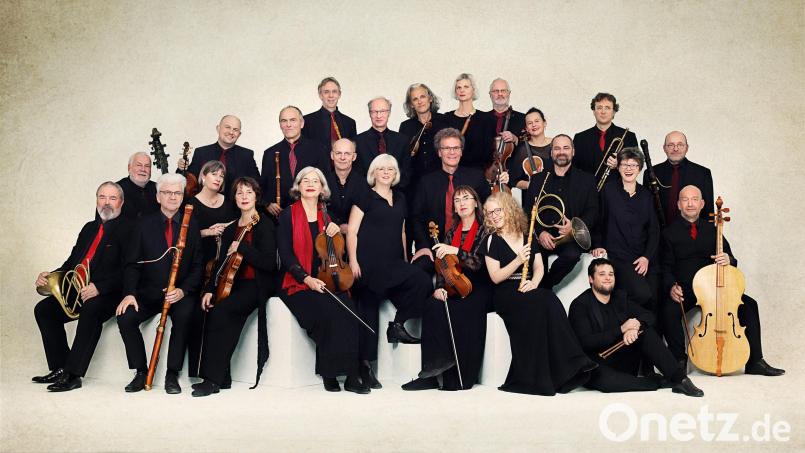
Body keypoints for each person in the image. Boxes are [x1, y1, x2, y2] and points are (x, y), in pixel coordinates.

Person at [660, 185, 784, 376]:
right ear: (678, 205)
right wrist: (671, 287)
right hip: (687, 289)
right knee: (668, 310)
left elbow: (731, 259)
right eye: (685, 199)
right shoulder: (669, 233)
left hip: (715, 287)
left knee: (750, 305)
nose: (690, 203)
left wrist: (729, 259)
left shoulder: (714, 230)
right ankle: (679, 359)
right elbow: (665, 267)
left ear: (702, 204)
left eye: (694, 199)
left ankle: (755, 361)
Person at [482, 191, 596, 395]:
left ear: (509, 209)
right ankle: (566, 365)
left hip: (528, 287)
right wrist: (517, 260)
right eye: (490, 213)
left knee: (547, 298)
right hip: (506, 293)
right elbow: (496, 277)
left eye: (498, 210)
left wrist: (534, 283)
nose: (494, 216)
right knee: (544, 300)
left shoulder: (527, 234)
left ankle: (568, 367)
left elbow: (539, 268)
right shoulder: (492, 240)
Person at [32, 182, 133, 392]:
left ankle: (73, 374)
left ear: (121, 203)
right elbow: (72, 263)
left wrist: (100, 288)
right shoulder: (89, 228)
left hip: (111, 293)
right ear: (96, 200)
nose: (106, 203)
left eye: (112, 198)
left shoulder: (129, 230)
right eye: (102, 197)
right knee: (44, 310)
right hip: (80, 289)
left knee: (92, 308)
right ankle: (60, 367)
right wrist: (50, 276)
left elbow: (130, 270)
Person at [278, 167, 369, 394]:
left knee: (349, 311)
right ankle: (329, 373)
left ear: (322, 188)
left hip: (328, 278)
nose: (310, 184)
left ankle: (351, 376)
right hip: (298, 282)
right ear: (298, 187)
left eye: (315, 181)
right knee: (327, 313)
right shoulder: (287, 214)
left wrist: (338, 230)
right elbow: (286, 254)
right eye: (305, 180)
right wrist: (306, 279)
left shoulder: (328, 216)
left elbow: (337, 251)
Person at [347, 154, 432, 388]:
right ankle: (365, 367)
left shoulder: (401, 198)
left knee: (422, 282)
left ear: (395, 174)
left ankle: (397, 324)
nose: (386, 172)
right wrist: (353, 261)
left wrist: (404, 260)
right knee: (368, 312)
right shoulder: (364, 196)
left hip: (393, 261)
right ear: (373, 173)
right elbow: (352, 231)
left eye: (390, 169)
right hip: (368, 263)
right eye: (381, 168)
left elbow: (403, 232)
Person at [116, 173, 202, 394]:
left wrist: (183, 291)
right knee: (126, 317)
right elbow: (132, 263)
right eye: (167, 192)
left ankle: (172, 374)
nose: (172, 197)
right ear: (158, 197)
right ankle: (141, 371)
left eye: (177, 193)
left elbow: (198, 266)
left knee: (184, 317)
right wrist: (129, 293)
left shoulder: (191, 225)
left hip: (179, 293)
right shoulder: (143, 224)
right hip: (149, 292)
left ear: (183, 196)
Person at [568, 258, 704, 397]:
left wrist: (635, 325)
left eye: (611, 274)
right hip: (597, 364)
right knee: (607, 382)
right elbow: (585, 342)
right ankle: (657, 382)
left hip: (623, 360)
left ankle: (680, 379)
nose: (608, 278)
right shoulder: (580, 305)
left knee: (645, 332)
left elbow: (648, 315)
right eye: (602, 274)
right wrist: (621, 329)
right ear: (591, 279)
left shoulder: (619, 298)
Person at [402, 186, 492, 391]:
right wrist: (440, 287)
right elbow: (444, 266)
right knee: (432, 305)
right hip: (454, 285)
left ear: (476, 203)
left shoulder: (485, 231)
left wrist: (456, 250)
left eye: (466, 198)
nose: (461, 203)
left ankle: (459, 376)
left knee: (459, 309)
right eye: (457, 200)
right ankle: (430, 372)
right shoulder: (451, 232)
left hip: (479, 287)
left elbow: (479, 264)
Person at [192, 177, 276, 397]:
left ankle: (212, 380)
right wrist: (210, 289)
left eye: (249, 192)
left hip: (256, 285)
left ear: (256, 196)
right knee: (210, 309)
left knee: (222, 311)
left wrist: (243, 248)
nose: (244, 197)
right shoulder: (232, 227)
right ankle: (222, 377)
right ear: (235, 198)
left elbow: (270, 264)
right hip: (232, 284)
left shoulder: (265, 224)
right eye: (240, 193)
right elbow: (220, 263)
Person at [410, 128, 493, 274]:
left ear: (461, 151)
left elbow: (489, 210)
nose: (452, 152)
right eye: (446, 148)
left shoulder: (477, 177)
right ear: (439, 152)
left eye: (456, 148)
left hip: (470, 248)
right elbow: (416, 217)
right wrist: (423, 246)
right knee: (417, 273)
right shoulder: (426, 182)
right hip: (434, 247)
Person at [524, 135, 598, 289]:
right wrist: (541, 232)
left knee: (572, 255)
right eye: (557, 148)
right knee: (532, 257)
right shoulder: (537, 179)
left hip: (569, 238)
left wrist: (574, 227)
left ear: (573, 151)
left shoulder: (587, 180)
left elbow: (593, 210)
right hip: (542, 237)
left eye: (566, 148)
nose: (561, 152)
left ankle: (545, 285)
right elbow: (527, 210)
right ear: (551, 153)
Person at [186, 160, 238, 377]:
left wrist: (227, 228)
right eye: (213, 174)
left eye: (221, 176)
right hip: (199, 265)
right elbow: (184, 237)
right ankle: (197, 370)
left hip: (223, 266)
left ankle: (219, 369)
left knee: (221, 314)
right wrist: (207, 232)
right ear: (203, 177)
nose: (218, 178)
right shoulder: (191, 203)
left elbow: (240, 224)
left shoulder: (229, 202)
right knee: (198, 314)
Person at [591, 148, 659, 311]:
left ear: (640, 168)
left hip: (641, 258)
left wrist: (646, 257)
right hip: (617, 257)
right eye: (624, 164)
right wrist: (598, 244)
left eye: (634, 165)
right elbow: (598, 221)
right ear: (618, 167)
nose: (629, 169)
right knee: (643, 294)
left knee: (655, 296)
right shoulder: (608, 191)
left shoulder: (646, 195)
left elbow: (654, 231)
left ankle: (634, 329)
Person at [261, 106, 330, 217]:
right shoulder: (269, 153)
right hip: (280, 216)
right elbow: (263, 187)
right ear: (280, 125)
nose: (288, 125)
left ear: (302, 123)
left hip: (311, 214)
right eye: (284, 121)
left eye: (293, 120)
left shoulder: (318, 149)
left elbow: (326, 182)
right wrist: (267, 204)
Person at [644, 130, 714, 226]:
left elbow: (708, 211)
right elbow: (646, 210)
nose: (675, 149)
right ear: (664, 148)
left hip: (691, 236)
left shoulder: (703, 173)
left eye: (680, 145)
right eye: (670, 145)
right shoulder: (651, 173)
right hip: (658, 236)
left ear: (687, 148)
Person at [180, 115, 260, 195]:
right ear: (218, 128)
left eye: (235, 129)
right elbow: (188, 181)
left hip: (234, 205)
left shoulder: (246, 155)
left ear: (239, 134)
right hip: (205, 204)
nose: (231, 132)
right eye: (227, 127)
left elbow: (256, 184)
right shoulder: (201, 152)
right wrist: (181, 168)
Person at [572, 92, 638, 177]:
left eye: (607, 108)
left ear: (614, 112)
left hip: (618, 188)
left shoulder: (628, 136)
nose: (603, 112)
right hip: (587, 189)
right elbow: (574, 168)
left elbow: (637, 165)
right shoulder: (580, 138)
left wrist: (620, 164)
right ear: (594, 111)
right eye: (599, 108)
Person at [354, 97, 411, 190]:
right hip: (367, 197)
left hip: (396, 196)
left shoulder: (402, 140)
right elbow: (356, 174)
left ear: (389, 113)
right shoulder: (357, 141)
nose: (379, 115)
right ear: (369, 114)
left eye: (383, 111)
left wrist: (391, 192)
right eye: (374, 111)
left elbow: (406, 171)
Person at [399, 83, 449, 184]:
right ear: (411, 105)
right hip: (415, 182)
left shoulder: (444, 120)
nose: (420, 101)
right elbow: (403, 158)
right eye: (415, 99)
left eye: (422, 96)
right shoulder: (405, 126)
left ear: (430, 98)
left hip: (441, 180)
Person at [444, 73, 494, 171]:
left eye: (466, 87)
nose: (462, 90)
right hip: (452, 173)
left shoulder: (485, 119)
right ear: (455, 92)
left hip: (477, 173)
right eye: (458, 87)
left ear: (473, 90)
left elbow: (488, 153)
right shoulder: (446, 118)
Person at [325, 139, 369, 235]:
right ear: (332, 155)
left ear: (354, 157)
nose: (342, 157)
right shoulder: (322, 182)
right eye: (338, 153)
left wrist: (351, 228)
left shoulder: (364, 184)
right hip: (327, 239)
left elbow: (369, 214)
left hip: (357, 239)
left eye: (347, 154)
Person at [302, 77, 357, 148]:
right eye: (326, 92)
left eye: (334, 91)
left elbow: (352, 151)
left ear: (339, 94)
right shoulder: (307, 121)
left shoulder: (349, 123)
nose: (331, 96)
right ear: (320, 95)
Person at [507, 107, 553, 191]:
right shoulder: (522, 149)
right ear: (527, 128)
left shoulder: (555, 144)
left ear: (544, 123)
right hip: (532, 196)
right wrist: (531, 185)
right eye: (530, 123)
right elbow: (514, 180)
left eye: (537, 121)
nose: (534, 125)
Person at [117, 152, 158, 220]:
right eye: (139, 165)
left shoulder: (158, 188)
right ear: (129, 168)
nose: (143, 169)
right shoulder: (116, 190)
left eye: (147, 166)